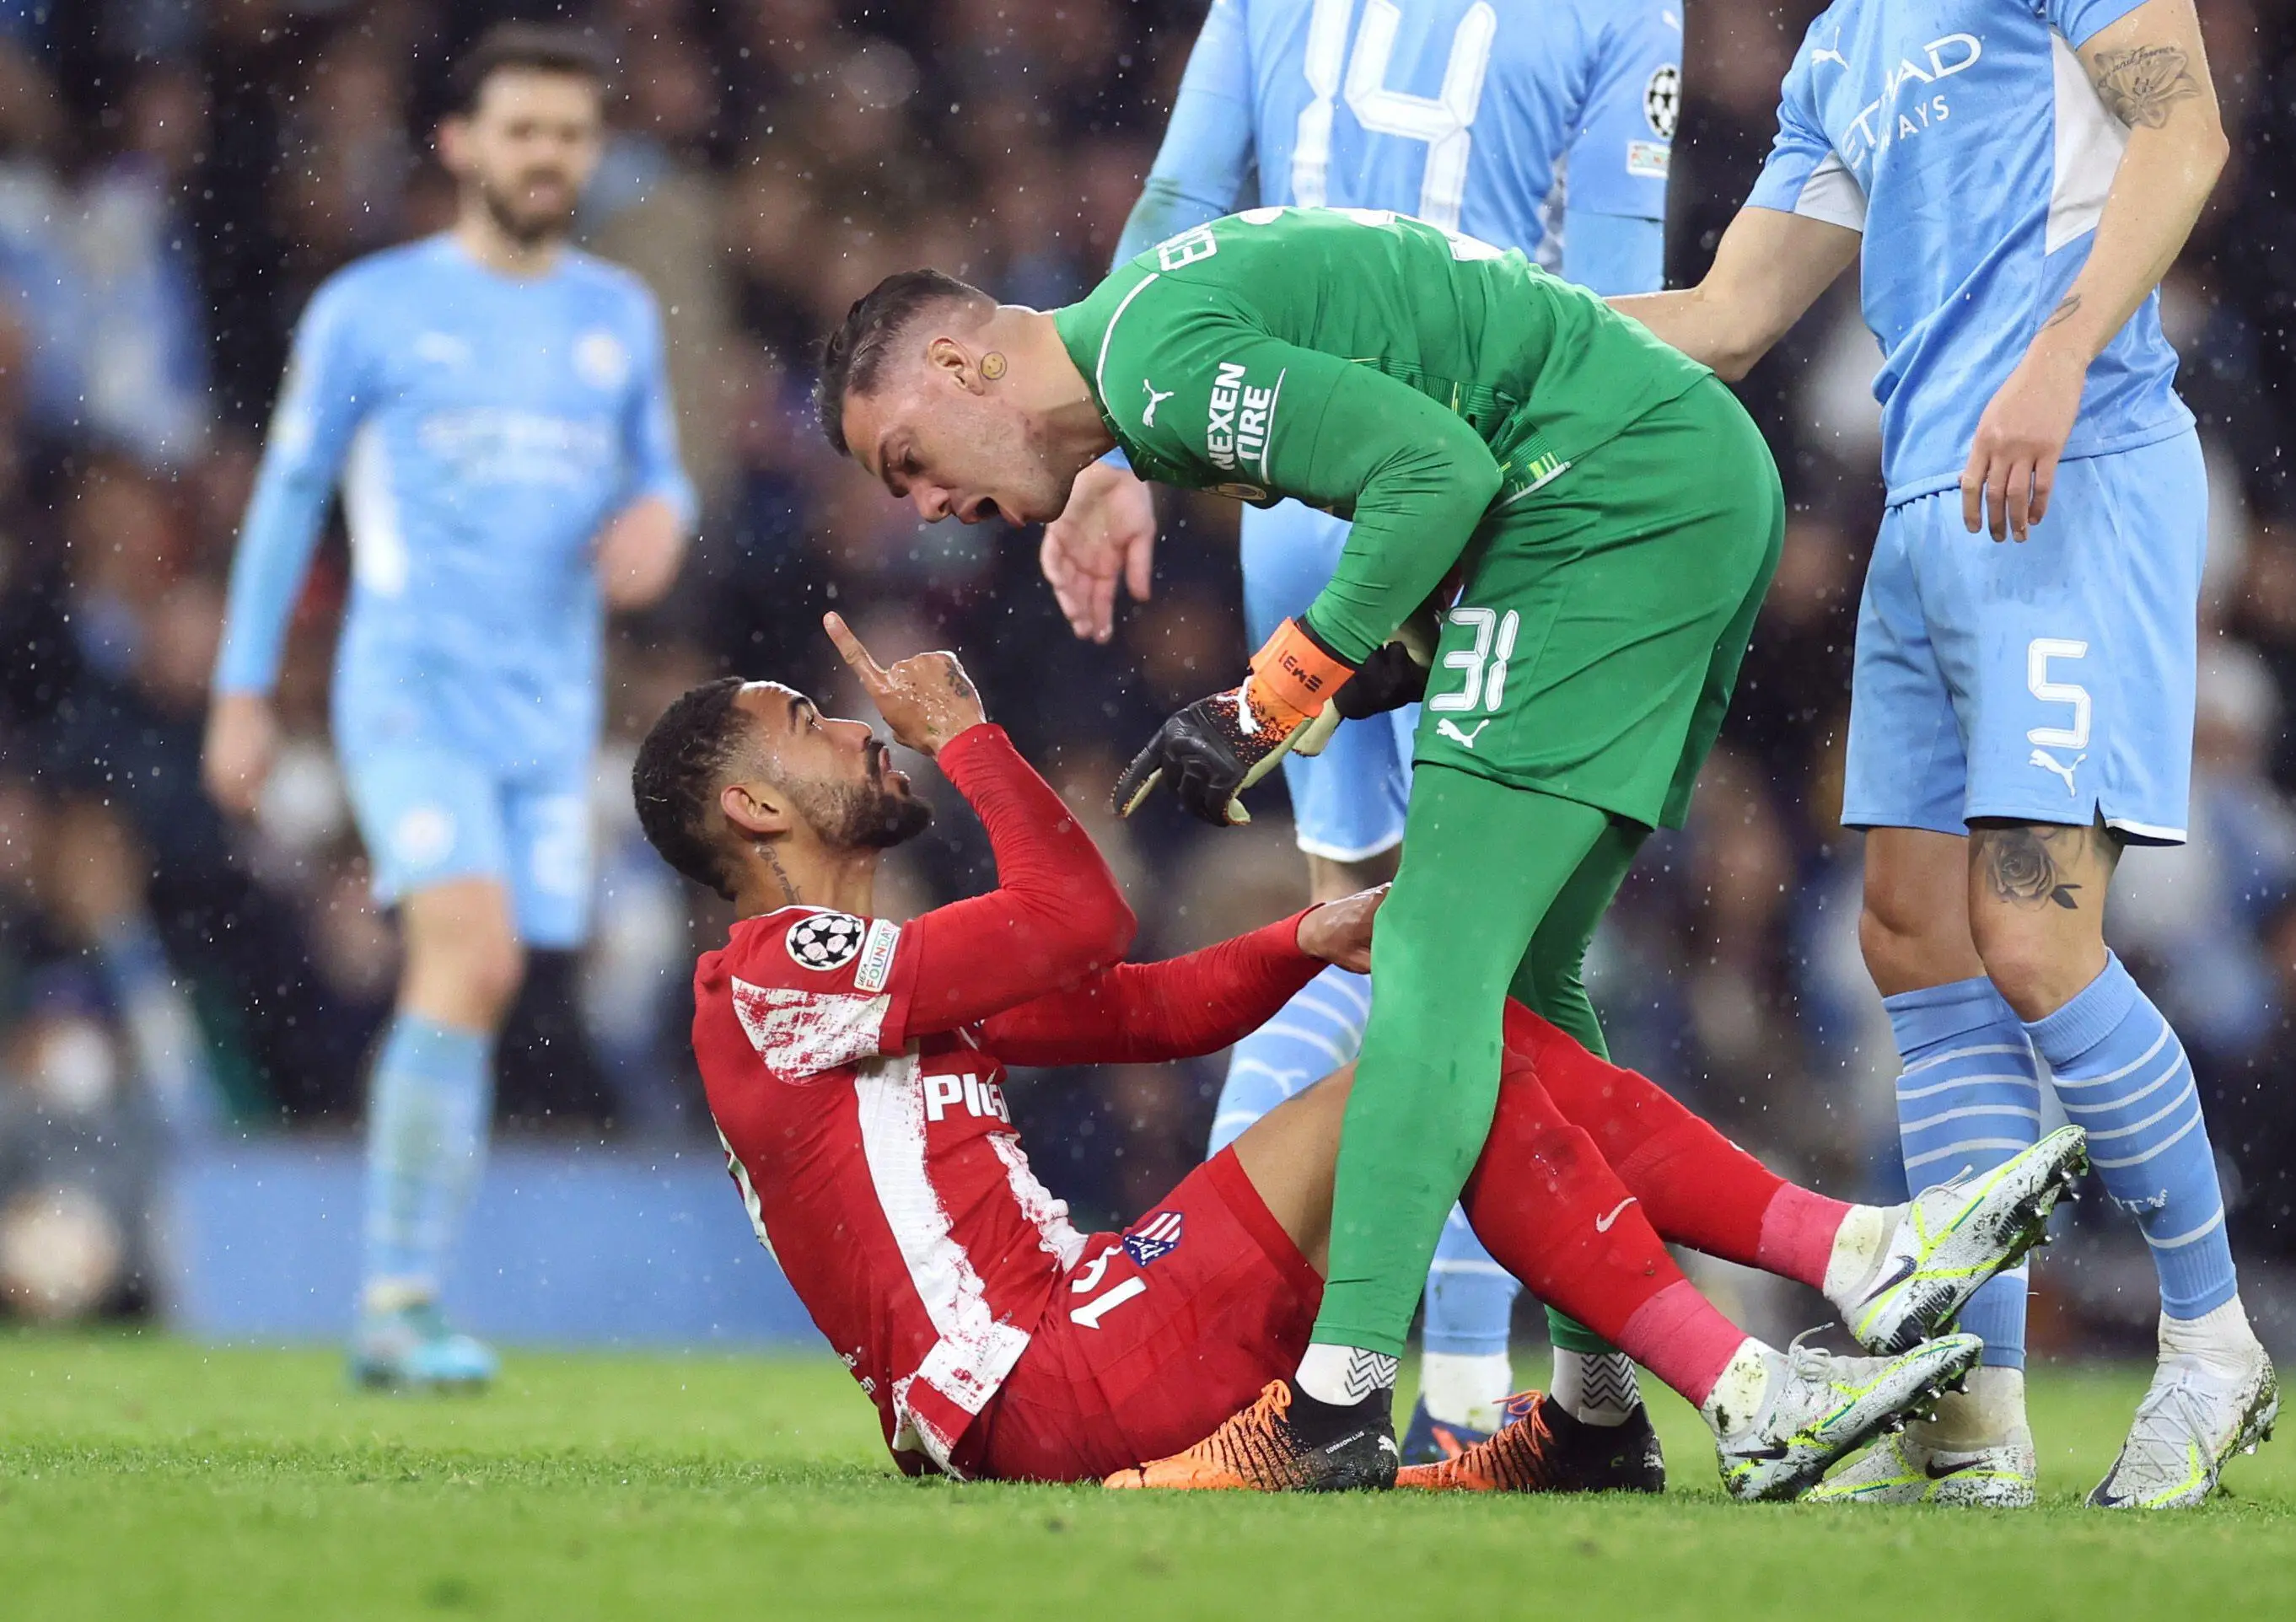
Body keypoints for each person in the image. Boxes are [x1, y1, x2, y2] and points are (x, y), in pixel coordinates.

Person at [634, 617, 2082, 1494]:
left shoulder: (859, 982)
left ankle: (1829, 1282)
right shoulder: (765, 981)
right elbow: (1083, 914)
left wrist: (1303, 939)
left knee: (1470, 1044)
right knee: (1426, 1066)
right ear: (756, 811)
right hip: (1041, 1381)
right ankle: (1770, 1356)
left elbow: (1145, 1011)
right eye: (807, 725)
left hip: (1092, 1336)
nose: (850, 727)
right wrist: (970, 740)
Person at [814, 203, 1784, 1487]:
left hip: (1599, 503)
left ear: (958, 366)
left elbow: (1439, 471)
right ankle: (1603, 1408)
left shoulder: (1153, 367)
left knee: (1428, 955)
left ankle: (1334, 1408)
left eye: (907, 461)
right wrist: (1380, 663)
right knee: (1524, 988)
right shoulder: (1155, 333)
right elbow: (1455, 409)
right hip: (1679, 477)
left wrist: (1266, 699)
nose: (933, 505)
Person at [1610, 0, 2277, 1508]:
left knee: (2033, 940)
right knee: (1917, 942)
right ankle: (1975, 1415)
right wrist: (1494, 330)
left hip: (2073, 475)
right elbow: (1727, 314)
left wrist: (2055, 355)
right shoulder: (1842, 44)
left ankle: (2211, 1343)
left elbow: (2186, 133)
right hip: (1929, 512)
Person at [1036, 0, 1686, 1465]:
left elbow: (1184, 196)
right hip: (1478, 495)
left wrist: (1115, 440)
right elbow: (1616, 292)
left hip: (1292, 481)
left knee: (1363, 926)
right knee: (1476, 959)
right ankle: (1425, 1385)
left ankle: (1242, 1356)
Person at [203, 24, 696, 1388]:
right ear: (459, 145)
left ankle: (403, 1295)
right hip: (407, 688)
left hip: (549, 714)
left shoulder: (615, 315)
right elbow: (290, 502)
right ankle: (395, 1303)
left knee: (484, 988)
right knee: (468, 954)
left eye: (569, 135)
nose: (547, 157)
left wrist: (664, 513)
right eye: (522, 131)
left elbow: (663, 473)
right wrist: (242, 693)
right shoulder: (370, 308)